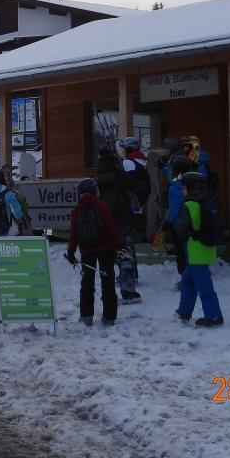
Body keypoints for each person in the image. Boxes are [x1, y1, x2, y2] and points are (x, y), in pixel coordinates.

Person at [65, 178, 121, 326]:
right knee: (108, 282)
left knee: (87, 284)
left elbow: (74, 233)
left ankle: (86, 316)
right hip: (106, 249)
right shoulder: (102, 206)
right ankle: (109, 317)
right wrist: (119, 244)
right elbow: (111, 226)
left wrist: (71, 251)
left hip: (86, 251)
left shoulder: (76, 210)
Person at [173, 171, 224, 327]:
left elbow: (180, 229)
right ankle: (184, 311)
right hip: (207, 248)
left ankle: (214, 316)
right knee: (188, 280)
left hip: (196, 251)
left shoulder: (189, 205)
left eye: (184, 188)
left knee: (204, 286)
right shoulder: (207, 202)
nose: (182, 191)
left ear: (190, 189)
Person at [118, 137, 148, 303]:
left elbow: (124, 184)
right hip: (138, 208)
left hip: (127, 209)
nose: (121, 151)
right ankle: (132, 273)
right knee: (129, 242)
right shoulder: (141, 161)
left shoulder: (129, 164)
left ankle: (129, 276)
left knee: (125, 244)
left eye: (123, 149)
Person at [163, 153, 193, 288]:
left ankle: (186, 280)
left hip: (181, 225)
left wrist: (168, 223)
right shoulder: (196, 181)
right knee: (193, 253)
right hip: (196, 222)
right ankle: (195, 276)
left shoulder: (176, 186)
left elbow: (174, 208)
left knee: (183, 253)